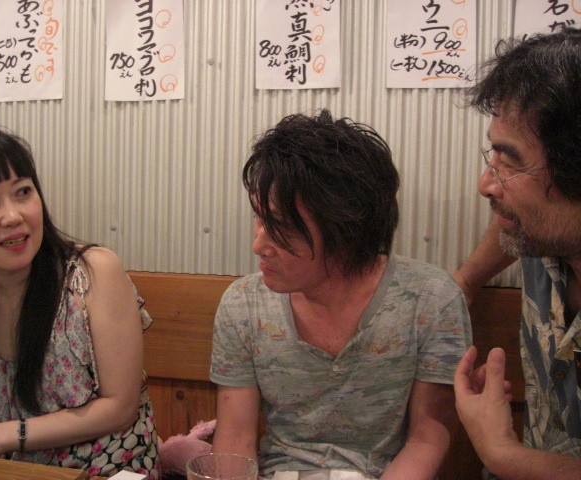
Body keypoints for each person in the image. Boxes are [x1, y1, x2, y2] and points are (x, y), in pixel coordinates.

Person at [210, 109, 472, 480]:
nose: (258, 245)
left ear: (345, 231)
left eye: (280, 226)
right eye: (259, 217)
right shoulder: (243, 304)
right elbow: (235, 438)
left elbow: (427, 439)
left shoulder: (431, 300)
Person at [0, 127, 160, 479]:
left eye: (23, 192)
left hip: (107, 471)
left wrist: (0, 436)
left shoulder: (92, 273)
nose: (13, 216)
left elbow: (120, 408)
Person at [452, 28, 581, 479]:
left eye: (509, 161)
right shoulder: (542, 235)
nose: (486, 184)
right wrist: (467, 279)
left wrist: (501, 452)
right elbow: (508, 221)